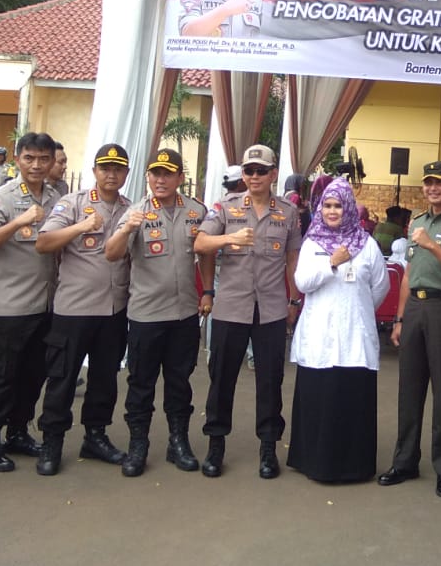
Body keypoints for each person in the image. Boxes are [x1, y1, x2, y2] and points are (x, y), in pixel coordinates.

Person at [193, 144, 302, 479]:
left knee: (270, 380)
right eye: (249, 171)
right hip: (231, 307)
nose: (254, 176)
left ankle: (268, 447)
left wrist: (294, 301)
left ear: (272, 174)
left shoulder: (288, 212)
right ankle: (215, 444)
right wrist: (229, 240)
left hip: (269, 308)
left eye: (261, 170)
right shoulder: (224, 208)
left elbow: (293, 258)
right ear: (243, 175)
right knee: (221, 378)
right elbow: (199, 244)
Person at [378, 160, 441, 498]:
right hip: (416, 309)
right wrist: (400, 318)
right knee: (409, 389)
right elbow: (408, 273)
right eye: (428, 182)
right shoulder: (416, 222)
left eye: (440, 182)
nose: (433, 188)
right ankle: (404, 460)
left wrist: (434, 245)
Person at [105, 148, 207, 477]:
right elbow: (112, 253)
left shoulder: (196, 211)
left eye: (167, 174)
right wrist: (125, 229)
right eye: (154, 174)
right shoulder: (135, 212)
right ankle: (139, 445)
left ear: (180, 178)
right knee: (141, 384)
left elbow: (204, 251)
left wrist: (208, 290)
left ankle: (178, 442)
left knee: (180, 382)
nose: (160, 180)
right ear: (147, 177)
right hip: (146, 315)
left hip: (184, 314)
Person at [33, 143, 133, 476]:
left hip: (114, 310)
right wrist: (80, 226)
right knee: (62, 378)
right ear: (94, 172)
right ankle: (52, 440)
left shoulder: (131, 209)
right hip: (73, 309)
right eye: (105, 168)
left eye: (118, 169)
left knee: (105, 378)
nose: (111, 174)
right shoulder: (72, 203)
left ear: (126, 174)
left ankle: (96, 436)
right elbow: (43, 243)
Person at [286, 178, 389, 482]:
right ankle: (313, 463)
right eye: (328, 206)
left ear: (349, 209)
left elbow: (380, 287)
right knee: (321, 398)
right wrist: (332, 262)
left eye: (339, 206)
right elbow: (303, 282)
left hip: (355, 336)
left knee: (351, 401)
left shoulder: (367, 244)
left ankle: (353, 467)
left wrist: (355, 310)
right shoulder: (312, 243)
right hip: (319, 335)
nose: (333, 212)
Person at [0, 131, 61, 472]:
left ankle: (18, 431)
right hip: (10, 305)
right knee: (2, 376)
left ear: (52, 161)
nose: (37, 165)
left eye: (43, 159)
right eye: (30, 158)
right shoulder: (3, 197)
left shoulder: (56, 196)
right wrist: (19, 222)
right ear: (17, 159)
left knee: (33, 375)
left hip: (46, 303)